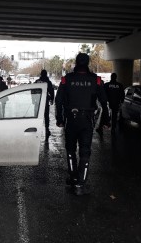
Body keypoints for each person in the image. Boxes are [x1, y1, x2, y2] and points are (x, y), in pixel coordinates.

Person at [55, 53, 110, 196]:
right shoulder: (96, 80)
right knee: (85, 151)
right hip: (87, 120)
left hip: (70, 120)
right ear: (88, 63)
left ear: (76, 63)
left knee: (71, 149)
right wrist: (106, 120)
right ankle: (80, 184)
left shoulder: (66, 80)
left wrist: (59, 119)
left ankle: (73, 177)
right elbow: (104, 102)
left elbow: (59, 100)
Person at [35, 69, 55, 137]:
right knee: (46, 116)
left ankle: (36, 130)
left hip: (37, 101)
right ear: (46, 74)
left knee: (37, 117)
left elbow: (33, 91)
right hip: (45, 101)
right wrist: (52, 99)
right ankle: (47, 129)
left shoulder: (37, 82)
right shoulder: (48, 82)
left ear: (40, 74)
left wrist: (33, 100)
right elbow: (51, 91)